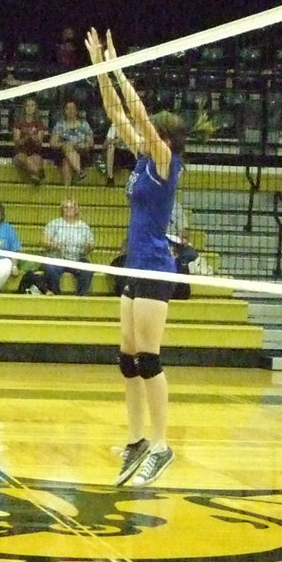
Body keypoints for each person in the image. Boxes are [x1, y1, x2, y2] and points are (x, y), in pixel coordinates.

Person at [89, 27, 185, 488]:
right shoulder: (143, 159)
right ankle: (136, 440)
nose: (143, 134)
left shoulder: (165, 161)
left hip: (155, 268)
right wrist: (99, 69)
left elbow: (140, 116)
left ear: (164, 137)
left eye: (152, 131)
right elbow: (115, 112)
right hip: (134, 268)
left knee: (149, 357)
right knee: (127, 359)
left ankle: (162, 445)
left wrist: (118, 68)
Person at [41, 198, 94, 296]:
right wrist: (54, 245)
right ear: (62, 210)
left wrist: (88, 246)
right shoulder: (54, 224)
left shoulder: (84, 227)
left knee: (88, 269)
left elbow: (91, 246)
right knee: (50, 268)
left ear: (76, 210)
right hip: (57, 258)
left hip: (77, 259)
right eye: (66, 207)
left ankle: (81, 297)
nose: (69, 209)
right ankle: (56, 294)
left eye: (71, 207)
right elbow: (44, 242)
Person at [49, 98, 95, 187]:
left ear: (77, 111)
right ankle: (79, 171)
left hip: (82, 153)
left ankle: (67, 193)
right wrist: (64, 144)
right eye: (67, 108)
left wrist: (83, 145)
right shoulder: (60, 125)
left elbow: (91, 143)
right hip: (62, 153)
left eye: (72, 108)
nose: (70, 111)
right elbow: (53, 143)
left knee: (67, 159)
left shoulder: (84, 124)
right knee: (66, 158)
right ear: (64, 111)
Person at [11, 96, 48, 184]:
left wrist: (34, 137)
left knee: (37, 159)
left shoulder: (39, 124)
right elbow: (17, 143)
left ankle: (35, 175)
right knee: (22, 158)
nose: (29, 108)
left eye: (32, 105)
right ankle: (39, 173)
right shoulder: (18, 123)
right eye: (27, 106)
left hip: (34, 153)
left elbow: (39, 143)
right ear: (24, 108)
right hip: (20, 153)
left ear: (35, 108)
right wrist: (27, 136)